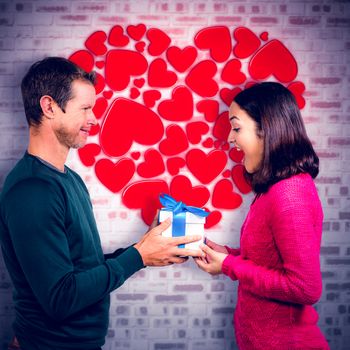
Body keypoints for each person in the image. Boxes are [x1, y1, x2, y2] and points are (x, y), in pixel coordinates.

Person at [0, 57, 202, 350]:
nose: (94, 118)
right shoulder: (32, 190)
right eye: (85, 108)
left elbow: (82, 268)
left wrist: (143, 250)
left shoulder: (69, 179)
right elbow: (62, 297)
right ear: (49, 107)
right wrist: (138, 256)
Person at [195, 82, 329, 349]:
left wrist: (229, 266)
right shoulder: (275, 189)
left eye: (236, 127)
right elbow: (270, 262)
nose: (231, 138)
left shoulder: (290, 195)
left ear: (266, 129)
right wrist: (229, 255)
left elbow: (305, 288)